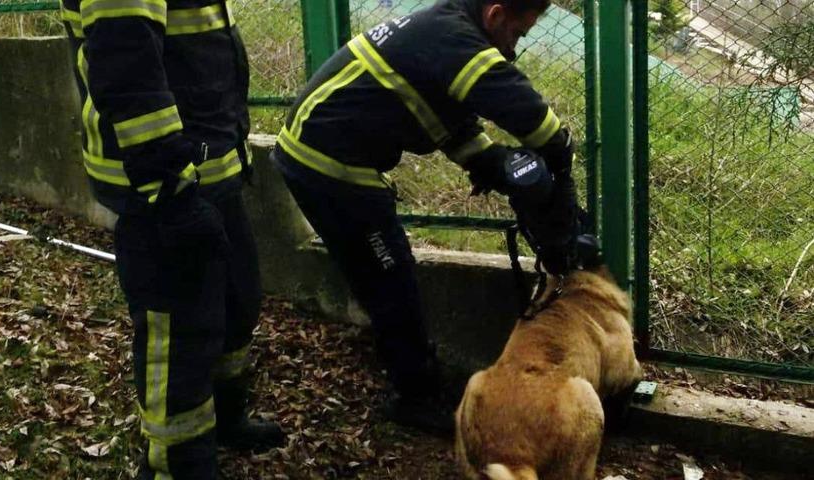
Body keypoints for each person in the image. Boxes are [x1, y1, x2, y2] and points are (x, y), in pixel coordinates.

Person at [271, 0, 581, 435]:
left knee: (380, 272)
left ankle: (403, 362)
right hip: (328, 162)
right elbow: (521, 107)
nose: (514, 47)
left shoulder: (443, 29)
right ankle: (415, 396)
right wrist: (560, 155)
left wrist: (499, 167)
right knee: (390, 273)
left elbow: (448, 125)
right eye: (518, 33)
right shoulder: (455, 38)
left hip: (321, 152)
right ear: (495, 16)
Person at [59, 0, 284, 477]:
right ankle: (177, 464)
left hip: (207, 172)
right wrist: (171, 193)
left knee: (235, 301)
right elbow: (128, 71)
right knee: (178, 336)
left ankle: (224, 418)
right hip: (162, 190)